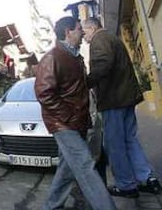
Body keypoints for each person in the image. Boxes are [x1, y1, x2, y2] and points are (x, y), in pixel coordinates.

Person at [35, 16, 116, 210]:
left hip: (77, 121)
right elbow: (44, 93)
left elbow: (77, 88)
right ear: (67, 32)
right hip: (63, 124)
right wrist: (68, 116)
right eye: (79, 29)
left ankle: (51, 206)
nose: (82, 33)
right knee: (85, 165)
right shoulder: (52, 57)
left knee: (67, 168)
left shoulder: (75, 57)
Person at [82, 17, 161, 198]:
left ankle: (126, 186)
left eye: (85, 32)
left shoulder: (99, 39)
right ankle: (148, 179)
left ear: (92, 28)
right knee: (130, 140)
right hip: (125, 98)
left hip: (113, 100)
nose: (84, 36)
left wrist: (86, 82)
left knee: (114, 144)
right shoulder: (111, 37)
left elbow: (103, 64)